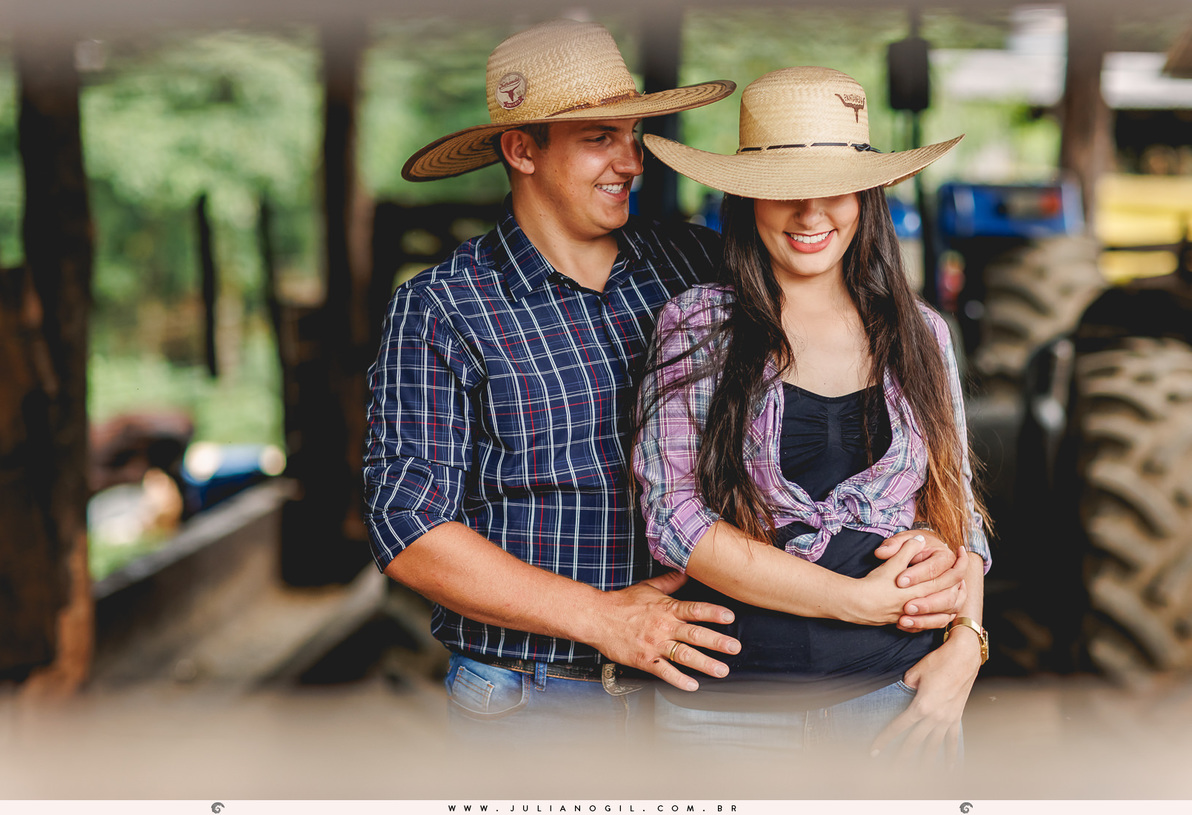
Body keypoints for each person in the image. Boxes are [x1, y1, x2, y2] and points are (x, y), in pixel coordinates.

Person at [364, 21, 964, 742]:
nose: (631, 161)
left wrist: (962, 624)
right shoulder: (443, 306)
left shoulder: (693, 265)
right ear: (522, 150)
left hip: (698, 681)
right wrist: (603, 617)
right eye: (600, 138)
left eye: (633, 136)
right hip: (539, 691)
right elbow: (408, 527)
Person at [633, 66, 992, 765]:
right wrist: (854, 600)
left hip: (898, 700)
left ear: (867, 196)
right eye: (784, 191)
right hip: (728, 713)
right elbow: (674, 520)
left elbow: (958, 508)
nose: (810, 213)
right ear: (747, 199)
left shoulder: (921, 333)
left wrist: (965, 645)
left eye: (834, 187)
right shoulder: (699, 325)